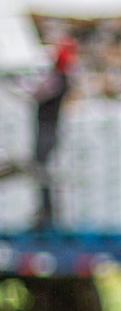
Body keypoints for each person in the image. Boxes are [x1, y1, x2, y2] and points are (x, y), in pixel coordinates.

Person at [30, 36, 76, 229]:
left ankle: (48, 214)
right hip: (49, 129)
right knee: (42, 171)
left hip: (48, 129)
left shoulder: (58, 79)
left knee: (43, 171)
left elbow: (37, 95)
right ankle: (46, 211)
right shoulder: (60, 78)